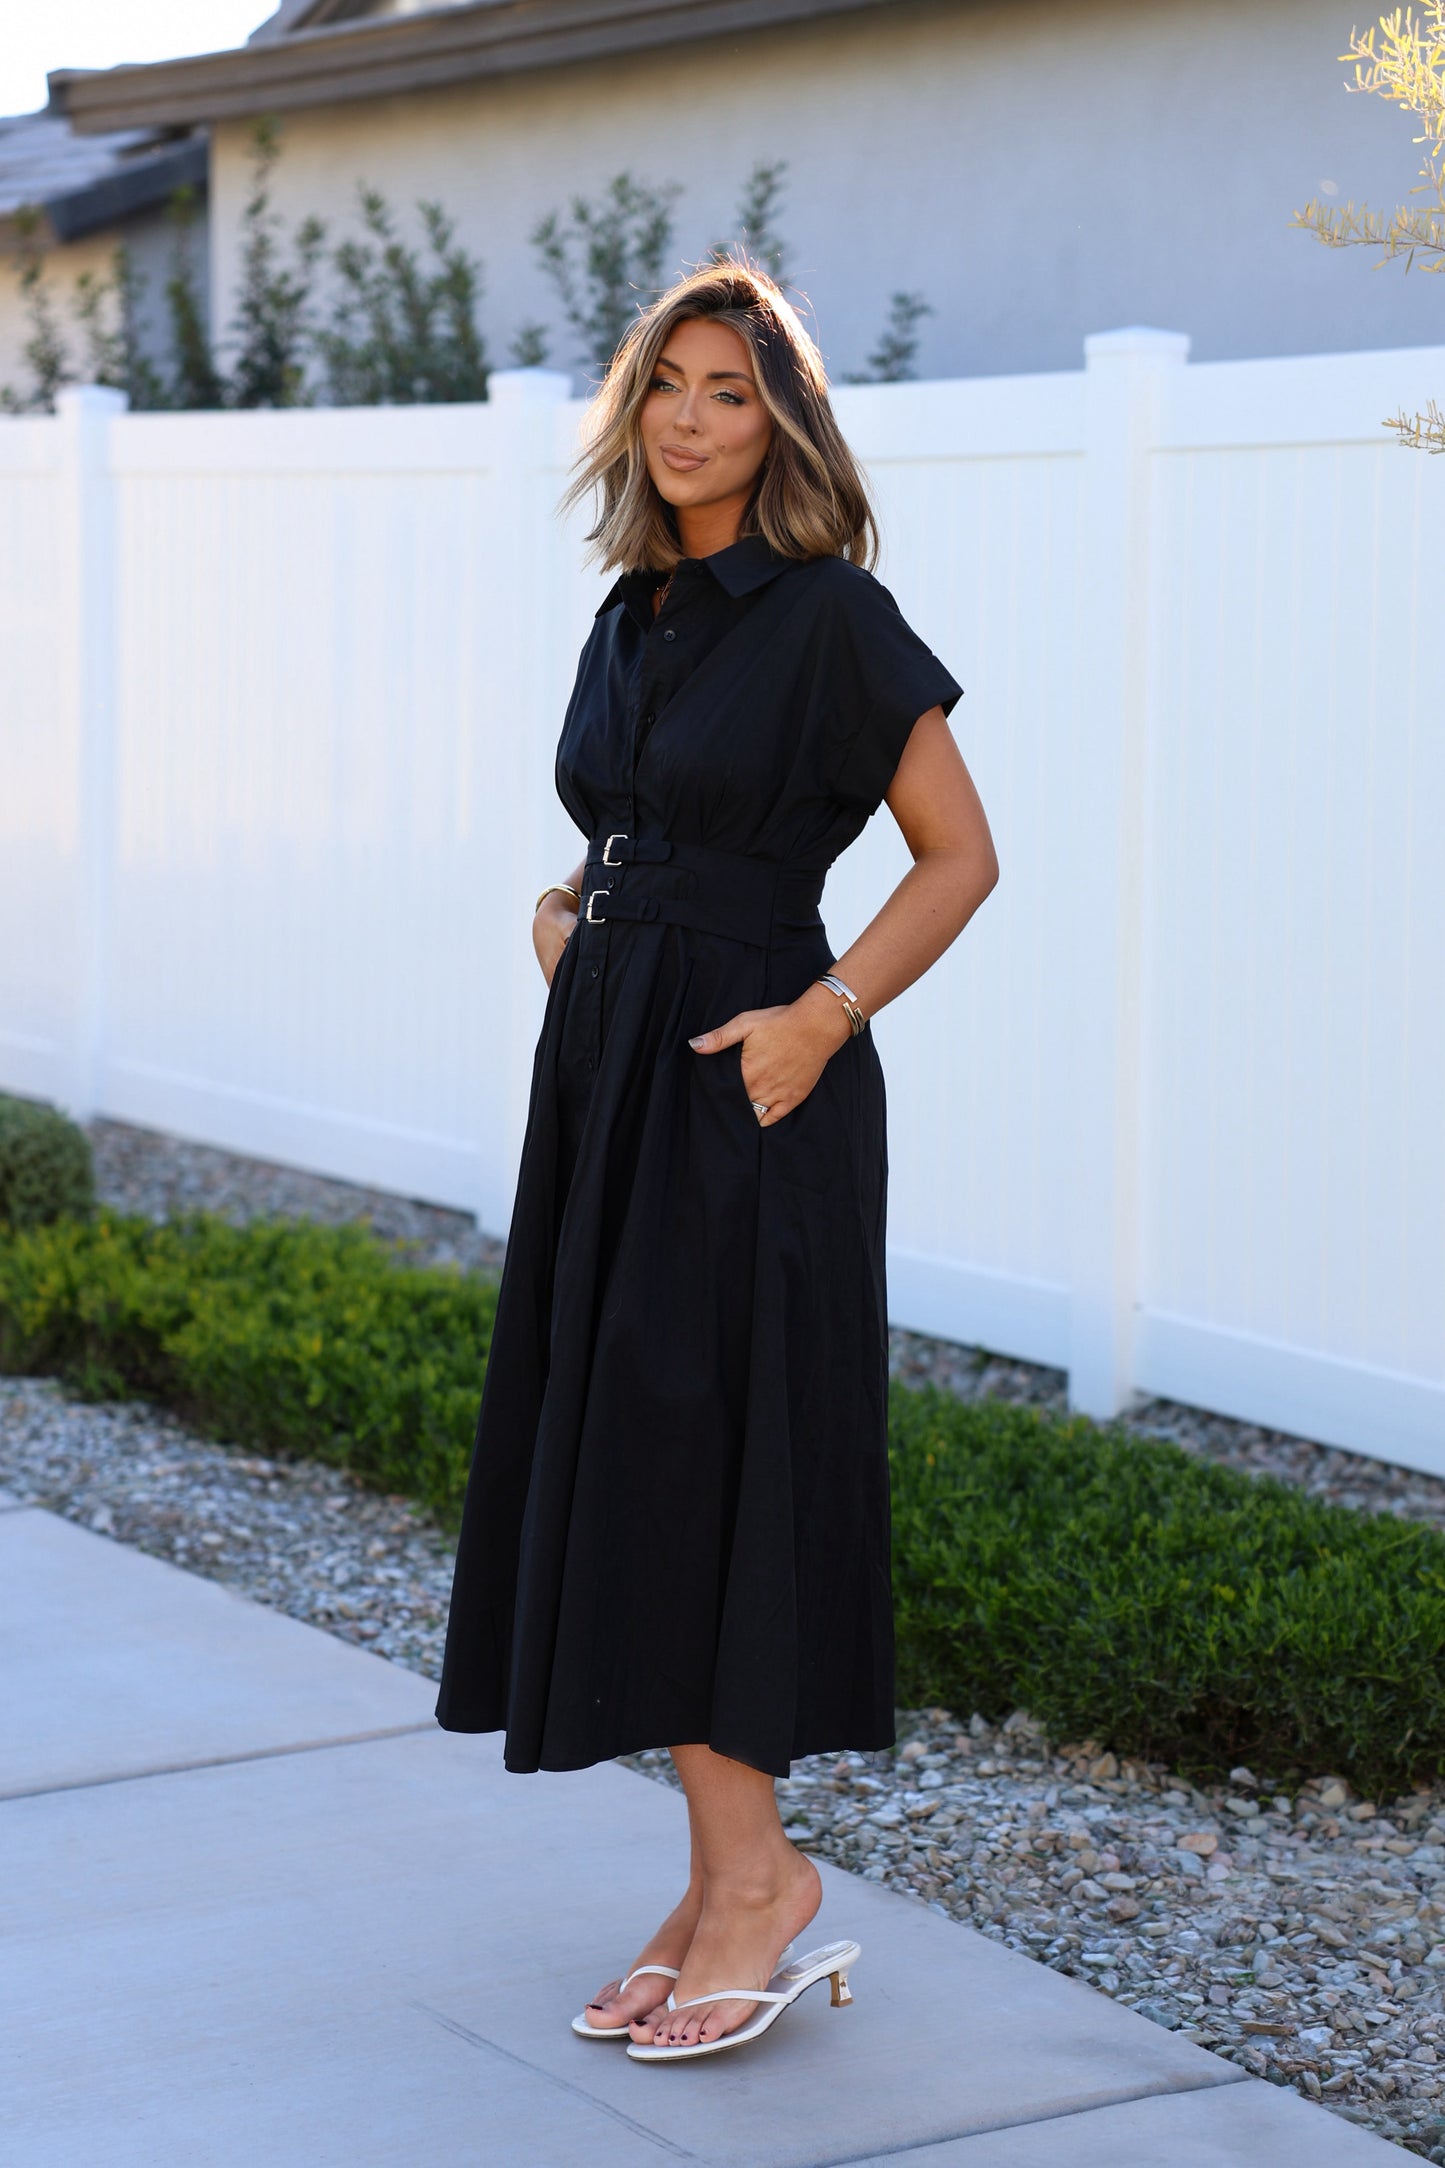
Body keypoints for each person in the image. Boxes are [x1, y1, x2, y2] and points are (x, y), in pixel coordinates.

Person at [435, 257, 999, 2060]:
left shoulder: (832, 618)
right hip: (611, 1073)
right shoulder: (633, 608)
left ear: (784, 419)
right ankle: (713, 1881)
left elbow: (957, 858)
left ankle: (756, 1884)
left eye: (730, 390)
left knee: (707, 1458)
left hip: (751, 1081)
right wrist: (568, 919)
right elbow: (628, 830)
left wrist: (820, 1017)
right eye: (667, 383)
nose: (689, 416)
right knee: (628, 1457)